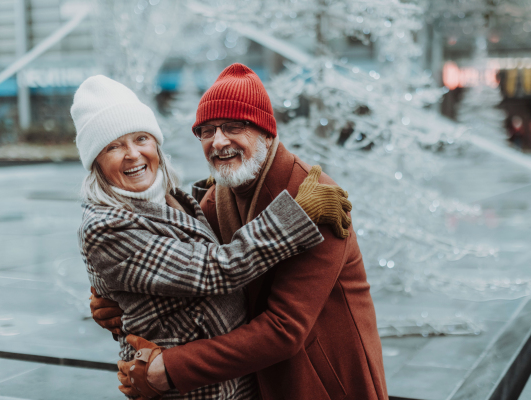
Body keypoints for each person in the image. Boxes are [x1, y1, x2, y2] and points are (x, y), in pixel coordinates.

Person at [92, 63, 388, 400]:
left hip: (322, 381)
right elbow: (191, 275)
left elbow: (284, 329)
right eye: (206, 130)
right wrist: (114, 297)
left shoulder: (315, 199)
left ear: (265, 132)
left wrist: (170, 369)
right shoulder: (216, 198)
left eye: (233, 127)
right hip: (255, 380)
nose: (218, 141)